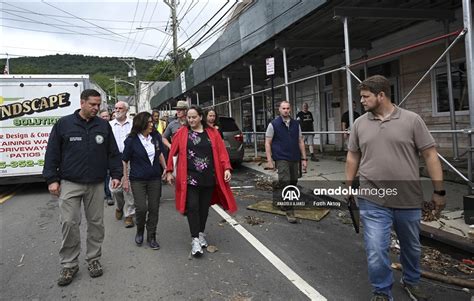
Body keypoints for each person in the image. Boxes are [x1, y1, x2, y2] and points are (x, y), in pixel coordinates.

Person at [345, 75, 445, 301]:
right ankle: (381, 291)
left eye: (365, 96)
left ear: (381, 95)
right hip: (372, 197)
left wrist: (439, 191)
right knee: (376, 249)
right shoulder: (360, 123)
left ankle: (411, 281)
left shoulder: (412, 120)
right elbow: (353, 156)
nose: (361, 100)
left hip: (407, 198)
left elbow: (430, 155)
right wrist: (349, 186)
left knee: (411, 248)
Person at [43, 89, 122, 286]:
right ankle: (69, 264)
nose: (96, 108)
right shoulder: (64, 124)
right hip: (70, 182)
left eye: (98, 105)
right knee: (69, 222)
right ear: (82, 102)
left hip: (96, 183)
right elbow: (52, 152)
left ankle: (93, 259)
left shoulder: (103, 126)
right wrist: (52, 179)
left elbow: (113, 152)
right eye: (92, 104)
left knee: (96, 224)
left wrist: (116, 174)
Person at [166, 105, 237, 257]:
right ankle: (195, 239)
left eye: (193, 117)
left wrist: (226, 168)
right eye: (188, 117)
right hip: (190, 178)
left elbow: (221, 152)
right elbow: (173, 152)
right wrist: (170, 170)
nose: (190, 120)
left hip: (209, 177)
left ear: (200, 117)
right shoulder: (182, 133)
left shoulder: (212, 133)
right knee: (192, 207)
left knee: (204, 208)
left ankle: (201, 233)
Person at [122, 112, 167, 250]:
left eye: (152, 122)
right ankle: (140, 230)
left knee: (154, 208)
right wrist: (125, 178)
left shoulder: (155, 137)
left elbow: (159, 154)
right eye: (149, 122)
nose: (151, 124)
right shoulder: (131, 140)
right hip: (138, 179)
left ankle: (151, 236)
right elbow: (125, 160)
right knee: (141, 208)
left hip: (154, 178)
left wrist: (166, 169)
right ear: (141, 124)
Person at [265, 101, 307, 223]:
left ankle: (284, 203)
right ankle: (290, 211)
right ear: (279, 110)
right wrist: (269, 160)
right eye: (283, 108)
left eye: (288, 108)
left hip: (295, 157)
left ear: (290, 109)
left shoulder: (296, 124)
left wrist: (304, 159)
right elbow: (268, 142)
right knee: (286, 181)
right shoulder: (273, 124)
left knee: (293, 182)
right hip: (281, 157)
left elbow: (300, 141)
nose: (286, 110)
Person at [110, 101, 136, 228]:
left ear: (126, 110)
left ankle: (129, 214)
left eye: (120, 108)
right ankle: (119, 206)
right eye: (116, 108)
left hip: (131, 159)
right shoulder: (109, 125)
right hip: (115, 159)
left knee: (129, 188)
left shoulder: (133, 124)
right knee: (115, 189)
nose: (117, 110)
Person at [99, 110, 114, 206]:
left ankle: (110, 194)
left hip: (112, 155)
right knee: (106, 176)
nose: (105, 118)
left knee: (110, 176)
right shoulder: (99, 127)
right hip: (102, 157)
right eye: (103, 117)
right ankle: (108, 195)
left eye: (106, 116)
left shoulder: (113, 126)